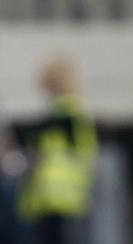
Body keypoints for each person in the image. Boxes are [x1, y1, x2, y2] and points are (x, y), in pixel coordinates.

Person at [16, 57, 98, 244]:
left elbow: (82, 153)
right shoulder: (66, 111)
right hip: (59, 195)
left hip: (60, 195)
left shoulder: (64, 113)